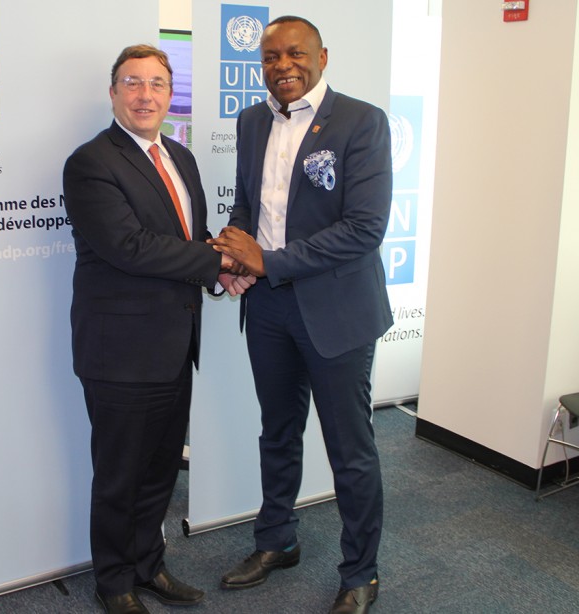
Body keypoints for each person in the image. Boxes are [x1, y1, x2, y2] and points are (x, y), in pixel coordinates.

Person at [211, 16, 393, 614]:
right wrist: (237, 251)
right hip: (267, 307)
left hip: (335, 309)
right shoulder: (250, 119)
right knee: (278, 431)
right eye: (270, 57)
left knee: (350, 448)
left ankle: (361, 572)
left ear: (322, 56)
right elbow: (246, 200)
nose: (282, 65)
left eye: (294, 53)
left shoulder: (362, 122)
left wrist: (268, 260)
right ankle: (276, 541)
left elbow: (364, 230)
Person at [62, 44, 253, 614]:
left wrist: (222, 271)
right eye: (133, 83)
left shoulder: (181, 156)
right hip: (119, 351)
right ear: (114, 92)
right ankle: (115, 582)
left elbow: (188, 239)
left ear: (171, 94)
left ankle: (149, 565)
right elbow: (128, 247)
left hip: (174, 344)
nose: (146, 95)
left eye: (158, 85)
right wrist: (217, 264)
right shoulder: (91, 162)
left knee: (160, 469)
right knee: (120, 475)